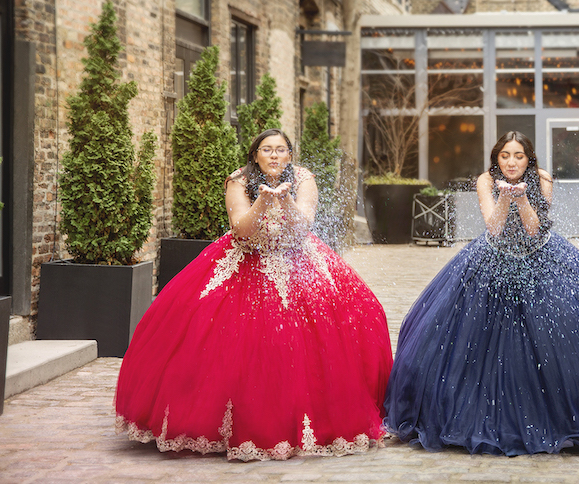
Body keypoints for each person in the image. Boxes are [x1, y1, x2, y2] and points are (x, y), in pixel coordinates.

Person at [115, 129, 393, 461]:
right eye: (267, 150)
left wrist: (285, 199)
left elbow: (302, 226)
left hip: (297, 257)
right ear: (256, 155)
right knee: (218, 334)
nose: (274, 155)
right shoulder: (238, 180)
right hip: (246, 258)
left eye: (280, 150)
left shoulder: (304, 179)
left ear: (290, 155)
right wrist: (263, 200)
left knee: (355, 313)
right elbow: (240, 228)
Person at [384, 131, 579, 456]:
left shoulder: (542, 178)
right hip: (492, 259)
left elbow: (534, 228)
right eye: (505, 156)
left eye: (518, 155)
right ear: (496, 158)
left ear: (528, 158)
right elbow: (495, 227)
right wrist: (504, 198)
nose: (512, 162)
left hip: (540, 257)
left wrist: (521, 198)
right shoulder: (485, 180)